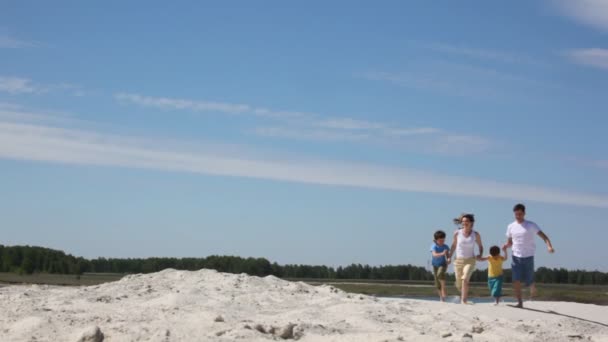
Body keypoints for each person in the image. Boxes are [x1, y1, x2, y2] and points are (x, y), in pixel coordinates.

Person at [503, 203, 555, 308]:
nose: (518, 216)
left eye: (520, 214)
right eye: (516, 214)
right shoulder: (510, 226)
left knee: (528, 280)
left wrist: (549, 246)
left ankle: (532, 286)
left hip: (528, 256)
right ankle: (520, 302)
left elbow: (544, 237)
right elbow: (510, 242)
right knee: (516, 280)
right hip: (516, 256)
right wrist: (506, 246)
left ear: (524, 213)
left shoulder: (531, 225)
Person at [449, 213, 483, 304]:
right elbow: (453, 245)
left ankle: (464, 300)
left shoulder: (475, 234)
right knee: (459, 284)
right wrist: (449, 256)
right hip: (458, 261)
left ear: (471, 222)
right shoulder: (457, 233)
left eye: (466, 221)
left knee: (465, 278)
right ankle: (463, 293)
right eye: (463, 221)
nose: (464, 223)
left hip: (470, 260)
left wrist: (480, 254)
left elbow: (480, 246)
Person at [430, 230, 450, 302]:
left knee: (440, 274)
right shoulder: (433, 246)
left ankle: (443, 289)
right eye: (440, 240)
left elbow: (448, 256)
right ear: (436, 240)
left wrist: (448, 259)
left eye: (443, 240)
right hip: (435, 265)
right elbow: (434, 255)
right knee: (437, 283)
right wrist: (442, 253)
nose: (442, 242)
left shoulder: (446, 246)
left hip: (443, 264)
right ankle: (442, 298)